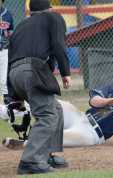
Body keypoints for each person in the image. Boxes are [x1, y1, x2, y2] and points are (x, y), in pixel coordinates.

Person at [2, 64, 113, 149]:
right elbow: (94, 102)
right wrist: (112, 100)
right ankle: (6, 111)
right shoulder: (110, 89)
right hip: (81, 118)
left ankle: (25, 144)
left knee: (62, 136)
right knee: (55, 103)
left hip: (92, 134)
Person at [7, 0, 71, 175]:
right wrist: (66, 72)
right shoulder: (53, 17)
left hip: (14, 73)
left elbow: (11, 57)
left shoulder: (20, 26)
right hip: (32, 70)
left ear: (30, 11)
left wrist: (14, 95)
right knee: (48, 115)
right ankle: (31, 160)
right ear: (49, 8)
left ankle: (45, 155)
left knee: (55, 109)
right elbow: (59, 45)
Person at [0, 0, 14, 104]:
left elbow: (10, 32)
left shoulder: (7, 14)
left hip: (3, 49)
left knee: (3, 78)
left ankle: (6, 100)